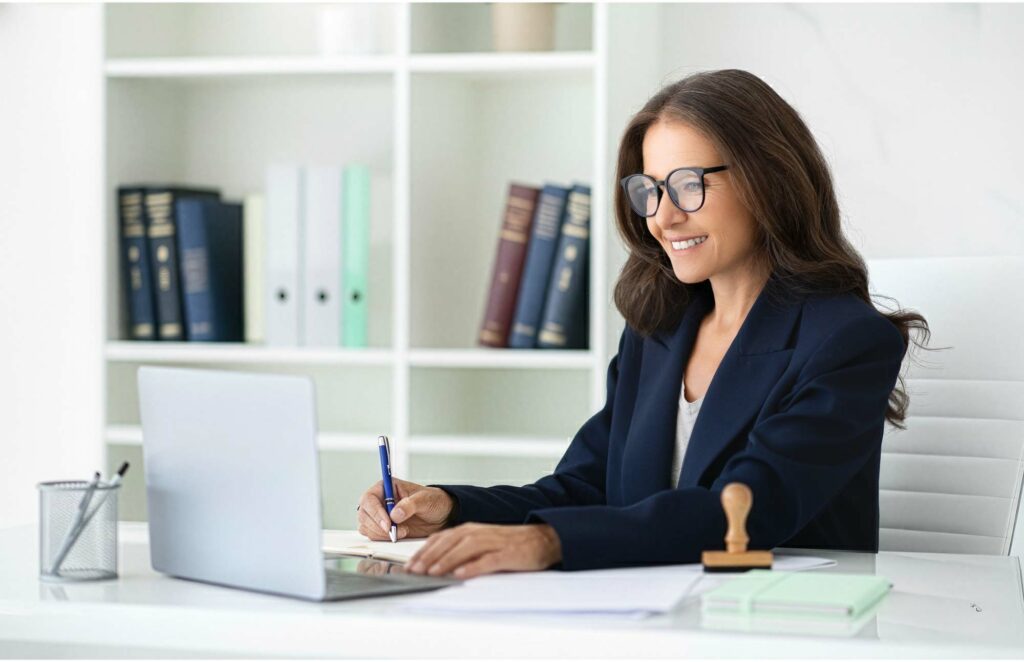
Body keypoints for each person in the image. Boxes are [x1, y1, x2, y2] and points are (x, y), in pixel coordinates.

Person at [356, 69, 929, 579]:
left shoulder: (846, 341)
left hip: (780, 626)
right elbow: (586, 486)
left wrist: (548, 542)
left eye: (687, 184)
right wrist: (450, 507)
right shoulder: (659, 331)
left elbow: (748, 508)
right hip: (655, 619)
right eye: (649, 190)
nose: (664, 215)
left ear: (768, 179)